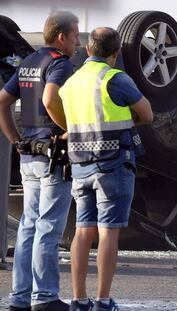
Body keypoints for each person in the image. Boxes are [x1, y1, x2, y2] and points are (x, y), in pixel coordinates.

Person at [52, 27, 153, 311]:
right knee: (108, 233)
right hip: (113, 166)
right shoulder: (115, 78)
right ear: (116, 52)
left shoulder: (71, 83)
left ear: (87, 49)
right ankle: (103, 301)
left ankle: (79, 299)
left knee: (83, 232)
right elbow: (147, 114)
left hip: (81, 165)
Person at [0, 11, 80, 311]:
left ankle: (20, 298)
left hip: (29, 156)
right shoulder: (59, 64)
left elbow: (2, 104)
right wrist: (70, 130)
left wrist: (16, 141)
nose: (76, 41)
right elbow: (49, 99)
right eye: (74, 35)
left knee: (28, 228)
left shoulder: (29, 63)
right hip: (53, 158)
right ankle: (45, 297)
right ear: (61, 37)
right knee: (48, 227)